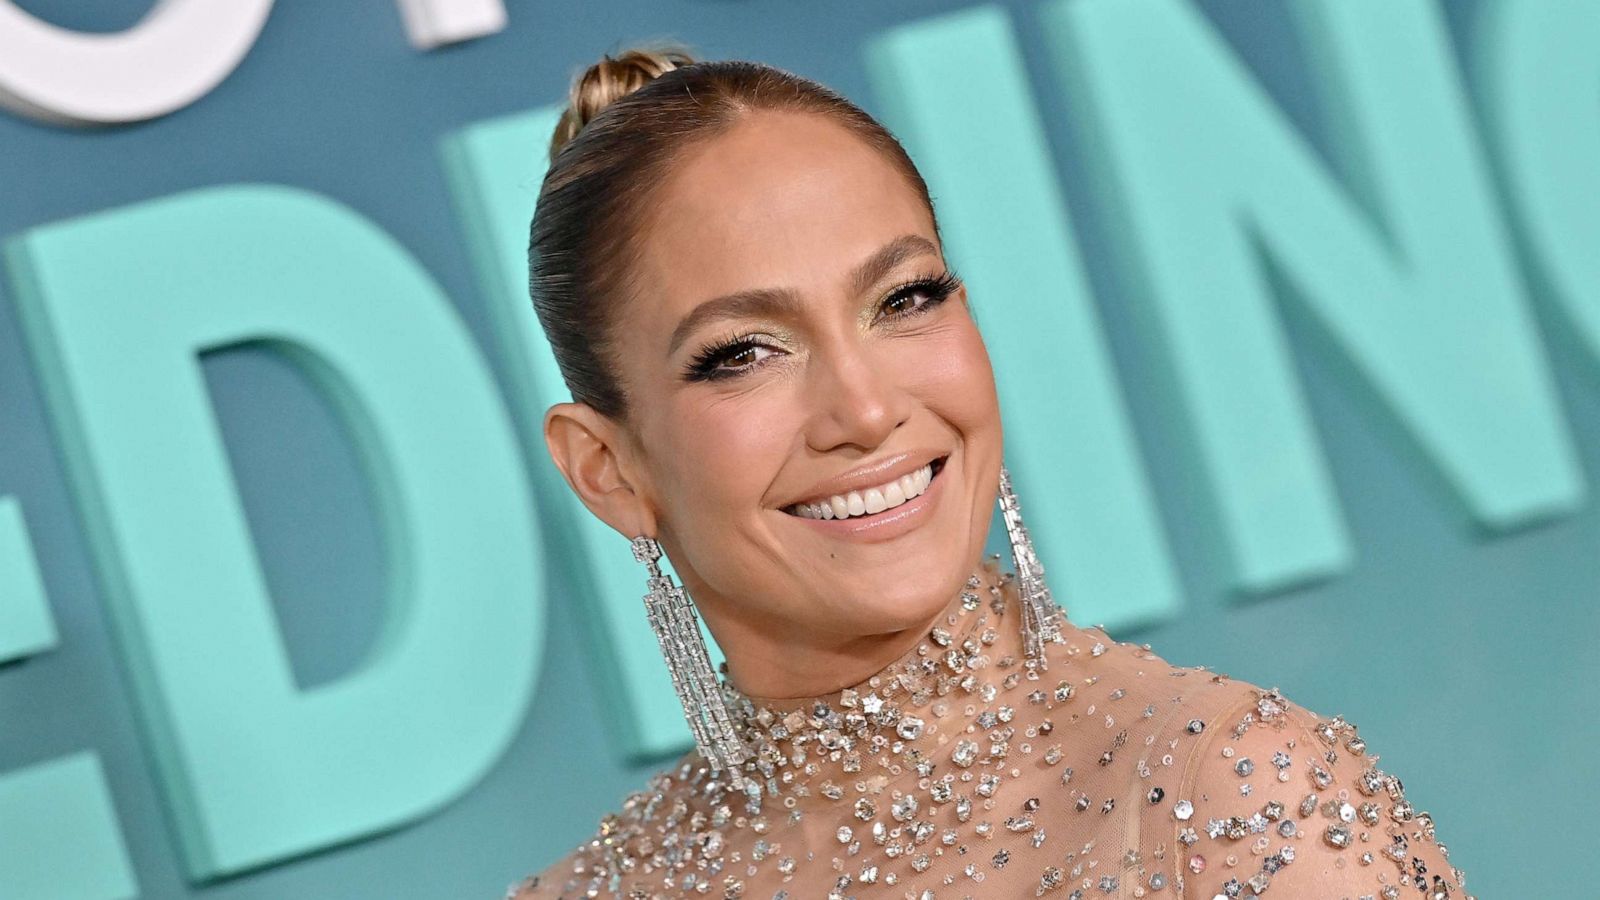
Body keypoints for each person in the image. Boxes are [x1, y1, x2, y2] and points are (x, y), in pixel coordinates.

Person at [505, 43, 1469, 900]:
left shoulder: (1238, 798)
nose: (867, 408)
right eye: (745, 352)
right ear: (606, 470)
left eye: (904, 298)